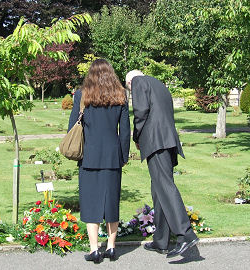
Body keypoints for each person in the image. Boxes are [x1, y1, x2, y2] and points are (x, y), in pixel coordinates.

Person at [125, 70, 199, 258]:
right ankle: (161, 241)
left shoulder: (138, 82)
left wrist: (136, 137)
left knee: (164, 186)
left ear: (130, 80)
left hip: (155, 141)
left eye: (128, 86)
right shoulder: (160, 86)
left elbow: (140, 112)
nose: (130, 89)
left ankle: (186, 234)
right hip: (167, 140)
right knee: (158, 191)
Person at [68, 59, 130, 263]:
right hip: (113, 157)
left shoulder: (81, 95)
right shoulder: (120, 96)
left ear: (91, 75)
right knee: (112, 202)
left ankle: (95, 250)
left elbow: (72, 127)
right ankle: (111, 248)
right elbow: (125, 132)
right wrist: (122, 156)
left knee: (91, 202)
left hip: (89, 157)